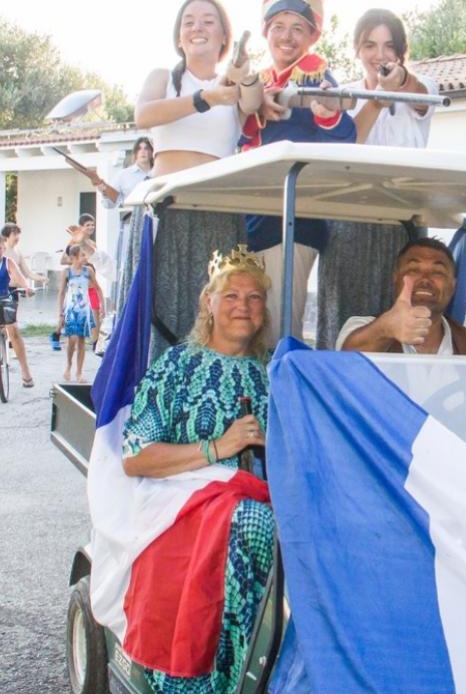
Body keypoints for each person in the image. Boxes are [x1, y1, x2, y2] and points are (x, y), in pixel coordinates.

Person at [121, 245, 273, 694]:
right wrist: (219, 447)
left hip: (248, 493)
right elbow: (136, 457)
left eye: (254, 297)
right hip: (178, 500)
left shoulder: (271, 373)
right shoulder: (177, 366)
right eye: (230, 295)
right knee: (255, 523)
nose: (242, 306)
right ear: (208, 303)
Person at [132, 0, 262, 361]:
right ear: (178, 37)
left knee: (217, 316)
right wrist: (205, 97)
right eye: (189, 21)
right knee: (161, 312)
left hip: (218, 214)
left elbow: (252, 103)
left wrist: (243, 72)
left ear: (224, 36)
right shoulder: (164, 78)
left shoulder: (234, 82)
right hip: (167, 208)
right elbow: (144, 115)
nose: (197, 27)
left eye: (208, 20)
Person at [239, 0, 356, 345]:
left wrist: (325, 110)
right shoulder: (259, 81)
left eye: (297, 29)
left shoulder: (316, 76)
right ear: (266, 31)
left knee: (276, 330)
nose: (287, 37)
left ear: (312, 36)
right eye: (279, 26)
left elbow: (344, 139)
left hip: (292, 218)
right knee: (246, 326)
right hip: (252, 219)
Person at [317, 9, 439, 349]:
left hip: (403, 222)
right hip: (349, 222)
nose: (379, 55)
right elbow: (347, 143)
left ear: (400, 52)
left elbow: (415, 94)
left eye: (388, 46)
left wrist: (397, 82)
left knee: (402, 319)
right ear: (357, 50)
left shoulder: (424, 87)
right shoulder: (344, 96)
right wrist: (374, 100)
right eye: (370, 45)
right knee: (345, 319)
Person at [336, 237, 466, 356]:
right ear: (395, 279)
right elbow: (345, 361)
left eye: (438, 272)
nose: (425, 279)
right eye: (413, 270)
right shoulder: (361, 327)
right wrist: (386, 328)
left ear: (453, 286)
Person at [92, 137, 154, 315]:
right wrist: (104, 191)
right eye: (140, 149)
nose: (143, 152)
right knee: (129, 266)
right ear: (135, 153)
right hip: (131, 225)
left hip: (155, 222)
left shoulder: (158, 172)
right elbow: (111, 204)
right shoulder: (124, 175)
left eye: (147, 148)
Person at [58, 244, 104, 382]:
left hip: (84, 309)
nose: (85, 257)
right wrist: (60, 312)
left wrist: (102, 305)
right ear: (73, 258)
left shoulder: (88, 271)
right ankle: (68, 365)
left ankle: (79, 372)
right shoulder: (66, 272)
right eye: (82, 255)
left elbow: (98, 288)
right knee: (72, 340)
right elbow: (61, 292)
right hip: (71, 310)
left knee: (82, 341)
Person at [0, 234, 36, 387]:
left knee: (13, 331)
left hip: (5, 298)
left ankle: (25, 370)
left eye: (1, 247)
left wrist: (27, 288)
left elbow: (20, 278)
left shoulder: (8, 263)